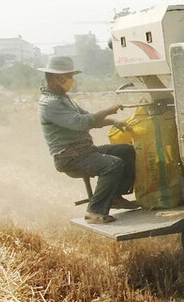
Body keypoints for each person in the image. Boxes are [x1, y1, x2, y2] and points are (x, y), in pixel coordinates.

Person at [37, 56, 138, 224]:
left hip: (85, 151)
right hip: (69, 157)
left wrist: (113, 122)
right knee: (112, 164)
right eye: (67, 77)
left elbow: (87, 118)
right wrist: (108, 111)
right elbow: (81, 123)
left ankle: (113, 196)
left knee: (126, 151)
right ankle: (95, 212)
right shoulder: (50, 104)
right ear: (55, 78)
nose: (71, 81)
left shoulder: (63, 99)